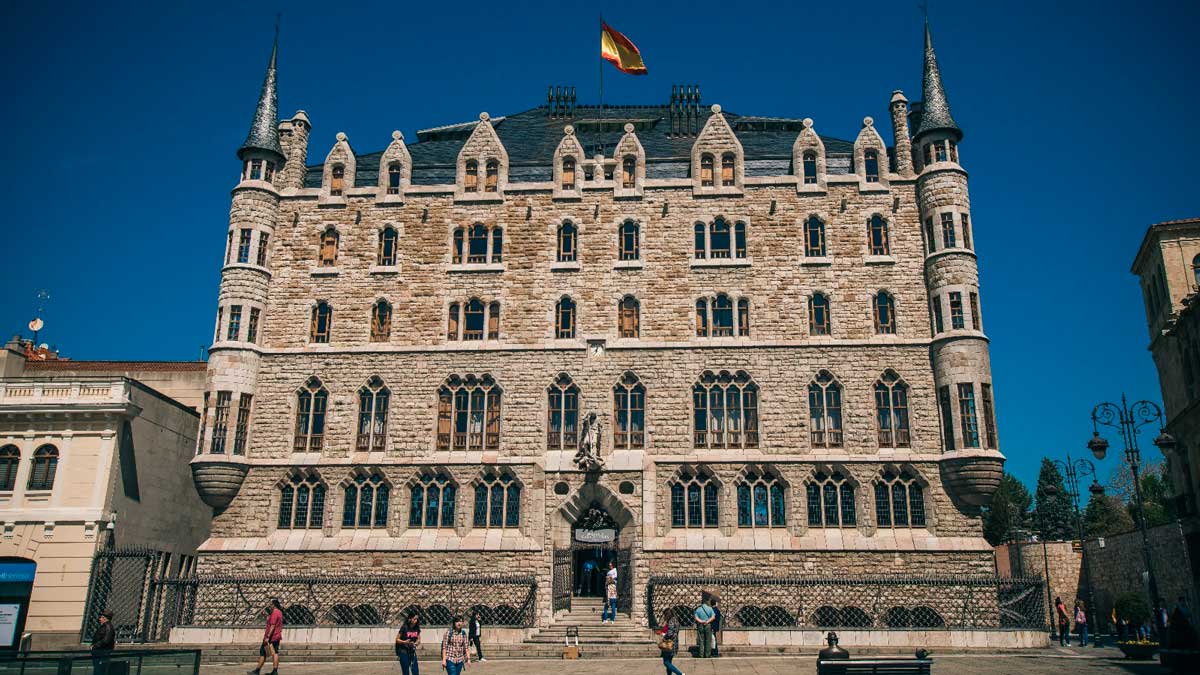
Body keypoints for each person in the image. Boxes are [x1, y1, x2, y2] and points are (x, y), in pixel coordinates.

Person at [249, 598, 284, 675]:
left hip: (271, 638)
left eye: (271, 604)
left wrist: (268, 637)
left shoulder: (275, 613)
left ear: (274, 605)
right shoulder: (280, 612)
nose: (270, 606)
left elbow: (272, 626)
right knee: (275, 653)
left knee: (263, 653)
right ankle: (274, 671)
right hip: (276, 636)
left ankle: (257, 671)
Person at [655, 611, 684, 675]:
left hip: (669, 643)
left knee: (666, 662)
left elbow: (670, 633)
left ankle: (680, 674)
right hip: (674, 642)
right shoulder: (676, 620)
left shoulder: (671, 621)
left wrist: (663, 636)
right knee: (669, 661)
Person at [90, 609, 116, 675]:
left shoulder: (108, 627)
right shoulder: (105, 626)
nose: (100, 619)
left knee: (99, 670)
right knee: (98, 669)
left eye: (101, 617)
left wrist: (95, 646)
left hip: (102, 653)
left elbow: (106, 640)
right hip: (99, 652)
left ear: (105, 618)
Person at [694, 593, 715, 658]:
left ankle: (701, 654)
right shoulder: (710, 608)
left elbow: (696, 618)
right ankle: (707, 654)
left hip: (700, 625)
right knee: (708, 640)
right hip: (708, 625)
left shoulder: (698, 609)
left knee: (701, 640)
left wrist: (701, 621)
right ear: (706, 602)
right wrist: (707, 621)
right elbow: (713, 617)